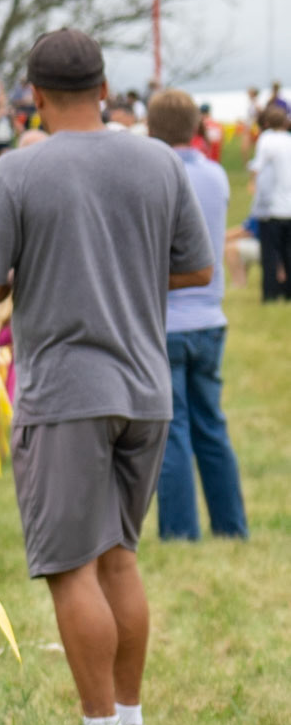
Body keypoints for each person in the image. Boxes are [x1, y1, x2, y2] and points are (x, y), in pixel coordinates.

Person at [0, 27, 213, 725]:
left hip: (65, 395)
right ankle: (130, 718)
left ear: (33, 96)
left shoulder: (17, 171)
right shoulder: (157, 160)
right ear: (103, 88)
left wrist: (46, 271)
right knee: (119, 558)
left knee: (71, 567)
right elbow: (197, 268)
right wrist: (125, 270)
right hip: (145, 388)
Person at [145, 88, 248, 543]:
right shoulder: (216, 175)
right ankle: (231, 524)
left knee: (173, 429)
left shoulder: (154, 176)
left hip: (167, 318)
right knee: (212, 425)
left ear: (151, 129)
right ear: (197, 126)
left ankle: (180, 531)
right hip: (209, 315)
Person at [249, 102, 291, 300]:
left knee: (270, 254)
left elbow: (258, 167)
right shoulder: (288, 140)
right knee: (288, 252)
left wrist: (252, 183)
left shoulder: (266, 140)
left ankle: (271, 293)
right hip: (289, 207)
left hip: (272, 207)